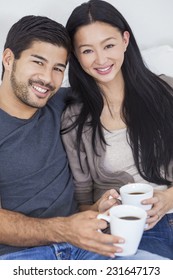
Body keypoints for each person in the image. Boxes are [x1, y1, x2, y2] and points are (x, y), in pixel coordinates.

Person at [0, 15, 164, 261]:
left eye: (58, 69)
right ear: (9, 59)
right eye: (38, 62)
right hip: (23, 257)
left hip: (88, 246)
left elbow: (114, 79)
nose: (47, 79)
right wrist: (66, 229)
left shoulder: (60, 102)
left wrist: (99, 208)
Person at [61, 0, 173, 259]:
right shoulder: (74, 118)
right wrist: (100, 208)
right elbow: (82, 203)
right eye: (87, 51)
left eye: (108, 45)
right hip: (130, 231)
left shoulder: (165, 92)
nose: (101, 60)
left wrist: (167, 199)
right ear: (75, 56)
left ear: (125, 40)